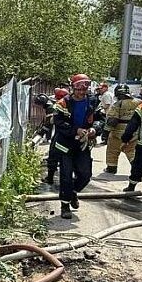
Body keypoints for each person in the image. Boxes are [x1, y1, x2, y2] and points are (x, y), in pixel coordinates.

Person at [53, 74, 100, 219]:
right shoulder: (62, 104)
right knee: (66, 176)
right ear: (73, 88)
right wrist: (75, 130)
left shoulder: (92, 102)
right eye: (78, 90)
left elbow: (101, 119)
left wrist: (95, 129)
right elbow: (59, 123)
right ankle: (65, 205)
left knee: (85, 175)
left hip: (82, 145)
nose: (81, 93)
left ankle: (73, 191)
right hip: (65, 145)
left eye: (84, 90)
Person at [102, 84, 141, 174]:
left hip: (118, 132)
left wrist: (105, 133)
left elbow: (111, 120)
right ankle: (136, 167)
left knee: (112, 150)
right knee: (131, 150)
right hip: (135, 131)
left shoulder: (117, 104)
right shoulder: (139, 102)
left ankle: (111, 167)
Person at [41, 88, 69, 185]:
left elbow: (50, 122)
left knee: (53, 156)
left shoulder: (57, 107)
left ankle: (50, 178)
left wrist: (41, 133)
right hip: (70, 136)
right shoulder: (71, 105)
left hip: (59, 136)